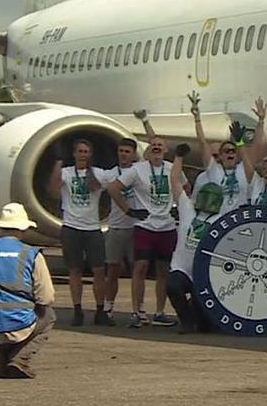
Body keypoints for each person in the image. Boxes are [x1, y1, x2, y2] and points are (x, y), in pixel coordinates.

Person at [0, 203, 55, 380]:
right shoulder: (31, 254)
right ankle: (20, 359)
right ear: (22, 229)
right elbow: (47, 297)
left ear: (0, 227)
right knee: (49, 315)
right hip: (19, 325)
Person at [107, 129, 187, 328]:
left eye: (160, 145)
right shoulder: (137, 169)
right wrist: (128, 211)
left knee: (163, 271)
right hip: (145, 225)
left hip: (167, 226)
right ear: (148, 150)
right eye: (153, 146)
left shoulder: (172, 168)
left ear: (166, 149)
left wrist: (180, 207)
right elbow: (113, 188)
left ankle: (160, 312)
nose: (157, 148)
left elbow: (186, 187)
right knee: (140, 268)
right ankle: (137, 311)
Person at [48, 138, 108, 326]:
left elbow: (100, 186)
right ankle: (77, 309)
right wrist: (58, 163)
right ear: (74, 154)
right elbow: (54, 191)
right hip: (72, 227)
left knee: (99, 270)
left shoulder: (98, 173)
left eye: (86, 152)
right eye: (80, 152)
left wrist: (88, 170)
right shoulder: (66, 173)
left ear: (90, 155)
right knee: (75, 270)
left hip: (92, 227)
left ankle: (100, 309)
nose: (83, 155)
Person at [166, 143, 223, 334]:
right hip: (182, 268)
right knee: (173, 287)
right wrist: (179, 157)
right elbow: (174, 180)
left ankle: (201, 320)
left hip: (204, 272)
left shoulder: (221, 220)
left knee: (203, 307)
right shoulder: (187, 209)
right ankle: (186, 321)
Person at [190, 93, 266, 214]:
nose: (230, 153)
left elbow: (257, 147)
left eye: (233, 151)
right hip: (218, 221)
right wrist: (197, 118)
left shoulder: (243, 170)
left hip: (240, 222)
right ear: (220, 156)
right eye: (226, 151)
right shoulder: (215, 170)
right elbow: (203, 143)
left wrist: (261, 121)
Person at [102, 138, 141, 326]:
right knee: (113, 270)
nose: (123, 154)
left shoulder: (140, 171)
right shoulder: (109, 175)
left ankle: (138, 310)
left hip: (137, 227)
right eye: (121, 151)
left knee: (138, 271)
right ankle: (108, 308)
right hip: (117, 227)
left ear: (134, 154)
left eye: (127, 151)